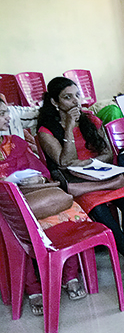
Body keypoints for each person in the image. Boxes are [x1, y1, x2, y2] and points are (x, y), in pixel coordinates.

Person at [37, 77, 124, 295]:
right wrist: (68, 127)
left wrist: (91, 164)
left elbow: (106, 152)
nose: (75, 101)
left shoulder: (91, 120)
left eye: (77, 95)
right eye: (67, 97)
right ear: (54, 102)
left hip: (101, 174)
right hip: (78, 184)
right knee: (101, 211)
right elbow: (63, 162)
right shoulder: (45, 130)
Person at [0, 94, 90, 314]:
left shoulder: (16, 142)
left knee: (68, 211)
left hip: (35, 197)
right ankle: (33, 289)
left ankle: (69, 275)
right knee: (14, 228)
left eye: (5, 113)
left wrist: (36, 179)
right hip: (6, 208)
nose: (7, 118)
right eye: (1, 114)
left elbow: (42, 171)